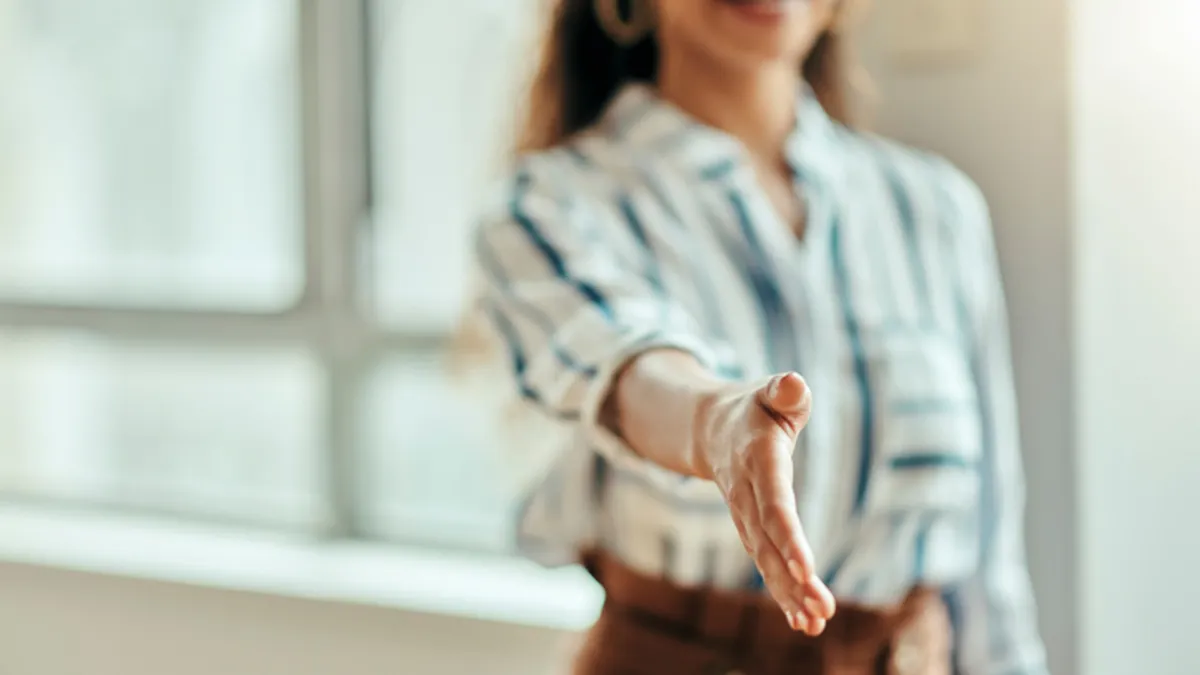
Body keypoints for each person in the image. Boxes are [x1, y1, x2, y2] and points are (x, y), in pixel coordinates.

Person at [471, 0, 1048, 672]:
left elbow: (989, 565)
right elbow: (622, 361)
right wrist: (715, 421)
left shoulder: (936, 212)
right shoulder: (548, 207)